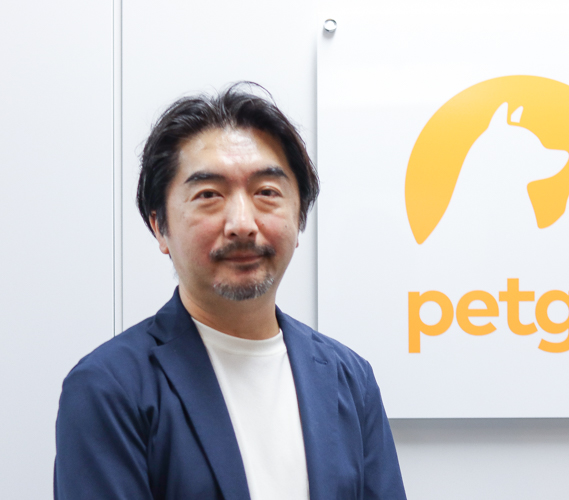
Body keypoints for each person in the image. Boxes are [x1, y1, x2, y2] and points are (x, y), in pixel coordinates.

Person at [54, 82, 407, 500]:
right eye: (209, 195)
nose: (242, 223)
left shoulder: (349, 379)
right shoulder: (109, 388)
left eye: (266, 193)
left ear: (299, 220)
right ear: (159, 226)